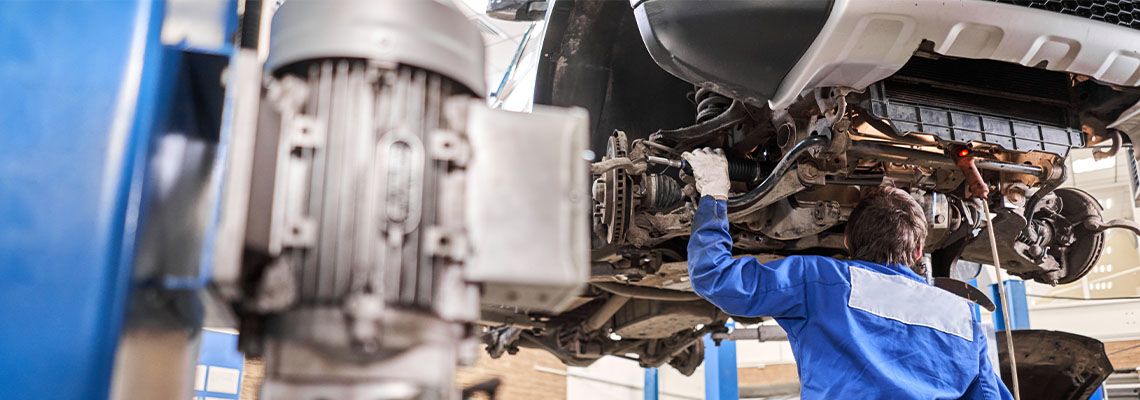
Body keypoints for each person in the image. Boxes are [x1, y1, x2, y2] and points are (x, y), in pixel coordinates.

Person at [682, 148, 1014, 399]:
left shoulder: (821, 283)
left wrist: (714, 195)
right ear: (917, 252)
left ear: (847, 242)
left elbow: (715, 276)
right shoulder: (964, 319)